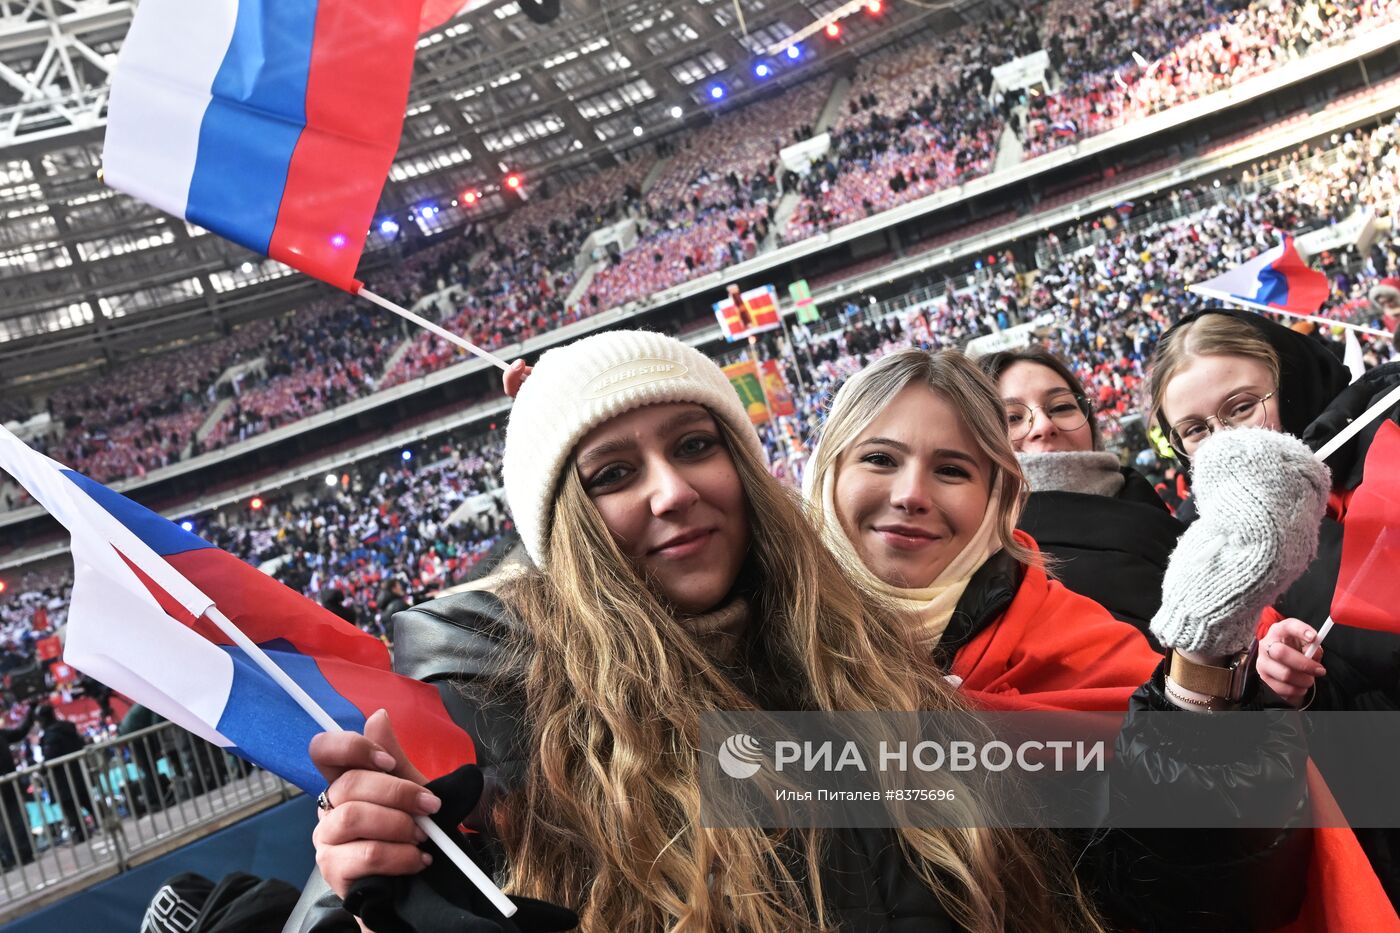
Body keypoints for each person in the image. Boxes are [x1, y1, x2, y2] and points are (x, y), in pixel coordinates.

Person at [293, 331, 1106, 933]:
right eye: (613, 473)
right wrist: (359, 896)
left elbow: (1180, 800)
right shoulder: (499, 724)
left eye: (694, 445)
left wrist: (1200, 694)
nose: (673, 491)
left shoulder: (860, 647)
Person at [801, 348, 1164, 710]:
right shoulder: (756, 630)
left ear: (996, 497)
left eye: (951, 470)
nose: (911, 495)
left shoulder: (1076, 636)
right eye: (880, 459)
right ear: (827, 472)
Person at [980, 346, 1183, 640]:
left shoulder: (1141, 495)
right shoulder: (981, 560)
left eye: (1061, 407)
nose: (1044, 426)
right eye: (1011, 418)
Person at [37, 704, 94, 843]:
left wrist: (42, 769)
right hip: (79, 774)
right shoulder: (68, 727)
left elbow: (51, 757)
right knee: (88, 802)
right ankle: (103, 822)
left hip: (63, 780)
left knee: (71, 809)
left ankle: (81, 834)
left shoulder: (51, 735)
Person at [0, 703, 35, 867]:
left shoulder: (2, 734)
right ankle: (11, 858)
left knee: (18, 823)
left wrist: (30, 711)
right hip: (8, 788)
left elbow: (20, 732)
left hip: (10, 788)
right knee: (6, 828)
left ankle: (23, 855)